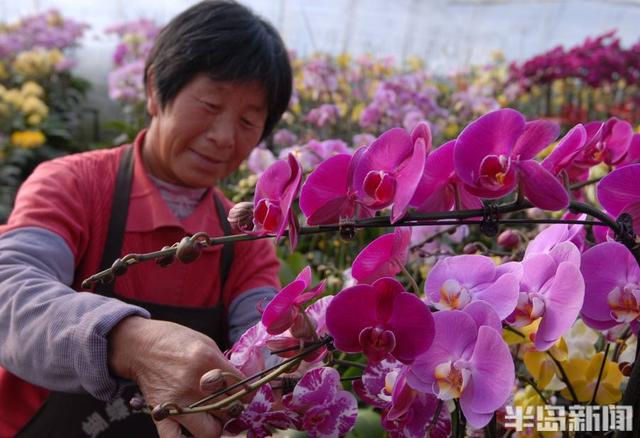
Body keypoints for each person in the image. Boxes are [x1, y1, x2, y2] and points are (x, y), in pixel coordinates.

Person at [0, 1, 292, 436]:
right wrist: (129, 341)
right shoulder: (74, 184)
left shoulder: (243, 240)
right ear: (155, 90)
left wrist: (290, 354)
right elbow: (9, 293)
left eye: (250, 121)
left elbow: (265, 338)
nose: (224, 137)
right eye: (211, 105)